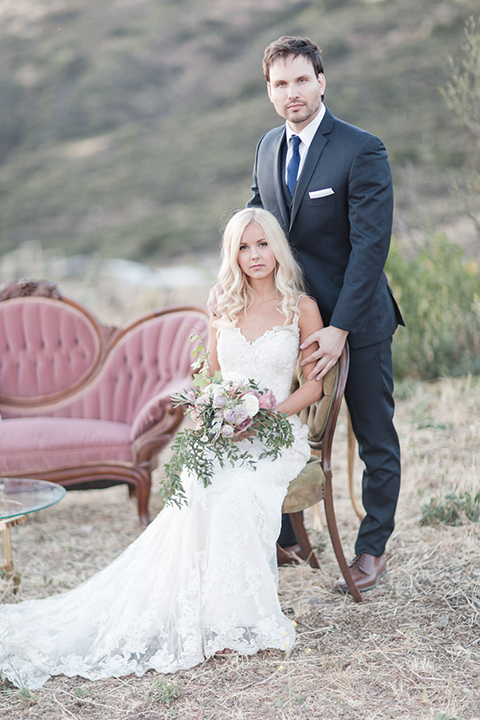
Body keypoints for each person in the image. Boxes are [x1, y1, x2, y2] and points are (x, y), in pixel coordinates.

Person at [0, 207, 324, 690]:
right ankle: (201, 609)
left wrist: (265, 415)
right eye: (243, 247)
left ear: (277, 247)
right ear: (232, 254)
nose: (254, 256)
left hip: (278, 435)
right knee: (201, 480)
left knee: (238, 489)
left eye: (262, 244)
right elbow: (211, 377)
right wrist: (214, 414)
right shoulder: (223, 304)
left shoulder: (301, 307)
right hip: (224, 431)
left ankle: (234, 618)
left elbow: (313, 388)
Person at [247, 36, 404, 592]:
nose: (293, 93)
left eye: (301, 80)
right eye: (280, 83)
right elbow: (257, 224)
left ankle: (370, 551)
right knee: (280, 426)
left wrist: (340, 328)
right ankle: (288, 537)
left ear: (321, 81)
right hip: (289, 327)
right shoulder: (267, 147)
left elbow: (370, 248)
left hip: (356, 324)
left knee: (375, 438)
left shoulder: (361, 149)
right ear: (270, 91)